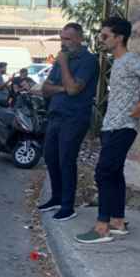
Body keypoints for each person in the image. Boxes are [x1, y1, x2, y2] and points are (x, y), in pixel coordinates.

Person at [75, 17, 140, 243]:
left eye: (105, 35)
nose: (101, 39)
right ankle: (117, 221)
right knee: (114, 172)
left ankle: (102, 228)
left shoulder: (130, 59)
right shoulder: (118, 62)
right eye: (101, 35)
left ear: (119, 37)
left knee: (103, 172)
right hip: (112, 125)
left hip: (123, 126)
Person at [38, 22, 100, 221]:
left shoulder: (88, 60)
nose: (63, 43)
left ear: (79, 39)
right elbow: (45, 88)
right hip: (56, 114)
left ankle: (67, 205)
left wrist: (64, 65)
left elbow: (74, 90)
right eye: (61, 38)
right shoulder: (61, 59)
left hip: (74, 117)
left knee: (66, 159)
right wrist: (63, 87)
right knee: (50, 156)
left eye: (67, 39)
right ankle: (56, 197)